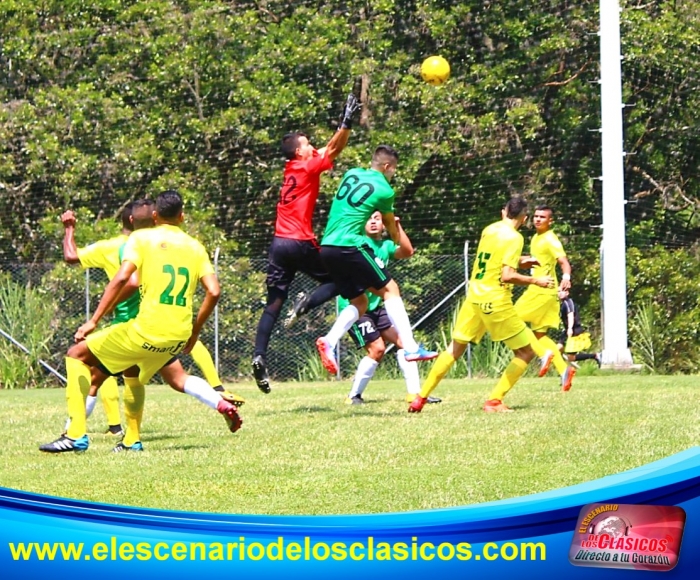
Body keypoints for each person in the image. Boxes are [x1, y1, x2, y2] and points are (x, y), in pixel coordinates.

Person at [40, 191, 242, 453]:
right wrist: (194, 333)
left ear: (156, 216)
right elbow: (214, 291)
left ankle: (75, 434)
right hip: (177, 333)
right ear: (182, 216)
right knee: (141, 375)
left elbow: (126, 278)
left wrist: (93, 320)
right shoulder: (195, 246)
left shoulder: (140, 239)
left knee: (77, 355)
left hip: (143, 328)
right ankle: (131, 440)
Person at [251, 79, 363, 394]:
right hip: (300, 242)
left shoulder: (291, 169)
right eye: (306, 141)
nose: (311, 143)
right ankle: (306, 304)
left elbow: (328, 149)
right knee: (341, 280)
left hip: (278, 245)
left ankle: (259, 355)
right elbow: (334, 149)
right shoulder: (304, 167)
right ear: (300, 151)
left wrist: (343, 127)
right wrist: (346, 123)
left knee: (273, 303)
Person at [408, 196, 555, 414]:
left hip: (474, 295)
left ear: (504, 212)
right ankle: (494, 401)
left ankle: (420, 398)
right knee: (525, 353)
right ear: (524, 218)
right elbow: (506, 275)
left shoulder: (490, 229)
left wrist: (524, 260)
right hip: (495, 299)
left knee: (454, 349)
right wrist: (536, 280)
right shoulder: (515, 238)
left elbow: (494, 260)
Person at [315, 145, 438, 375]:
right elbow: (390, 226)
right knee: (391, 289)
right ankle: (411, 347)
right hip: (350, 244)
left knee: (359, 302)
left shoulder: (351, 173)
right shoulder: (384, 189)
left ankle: (329, 341)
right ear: (387, 167)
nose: (393, 175)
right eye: (394, 171)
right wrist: (394, 232)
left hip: (327, 246)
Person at [341, 211, 441, 405]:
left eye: (377, 218)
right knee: (377, 350)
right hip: (356, 306)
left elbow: (407, 251)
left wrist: (396, 226)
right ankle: (353, 396)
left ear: (383, 224)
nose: (372, 222)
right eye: (369, 218)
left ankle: (415, 394)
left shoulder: (385, 246)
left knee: (407, 345)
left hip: (377, 307)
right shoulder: (358, 243)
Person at [514, 205, 576, 391]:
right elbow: (537, 261)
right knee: (539, 335)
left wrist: (566, 277)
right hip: (546, 292)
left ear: (551, 221)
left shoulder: (550, 238)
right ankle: (564, 370)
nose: (538, 219)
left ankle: (543, 354)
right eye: (536, 216)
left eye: (543, 217)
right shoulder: (536, 238)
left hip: (541, 290)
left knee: (510, 318)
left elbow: (564, 261)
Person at [556, 289, 601, 369]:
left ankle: (595, 356)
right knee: (558, 349)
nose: (559, 293)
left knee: (570, 357)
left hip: (574, 331)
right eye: (558, 291)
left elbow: (570, 315)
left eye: (561, 291)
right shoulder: (563, 303)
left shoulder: (568, 302)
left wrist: (570, 328)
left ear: (567, 293)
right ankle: (562, 370)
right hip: (567, 331)